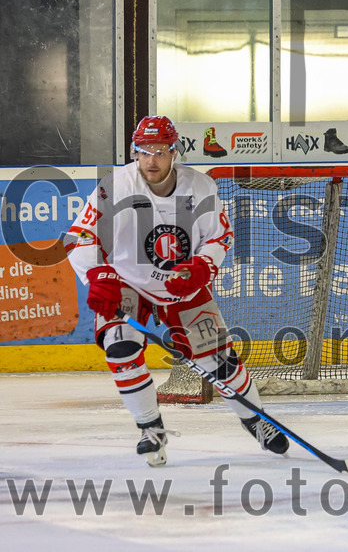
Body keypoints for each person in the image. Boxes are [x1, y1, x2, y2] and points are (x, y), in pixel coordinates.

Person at [63, 116, 288, 466]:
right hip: (128, 282)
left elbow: (219, 237)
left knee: (220, 361)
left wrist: (202, 266)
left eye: (159, 151)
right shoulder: (114, 187)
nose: (151, 160)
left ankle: (257, 420)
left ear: (174, 152)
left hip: (181, 285)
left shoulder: (199, 186)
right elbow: (79, 236)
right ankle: (150, 429)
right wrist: (98, 274)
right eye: (143, 151)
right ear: (134, 152)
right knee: (120, 349)